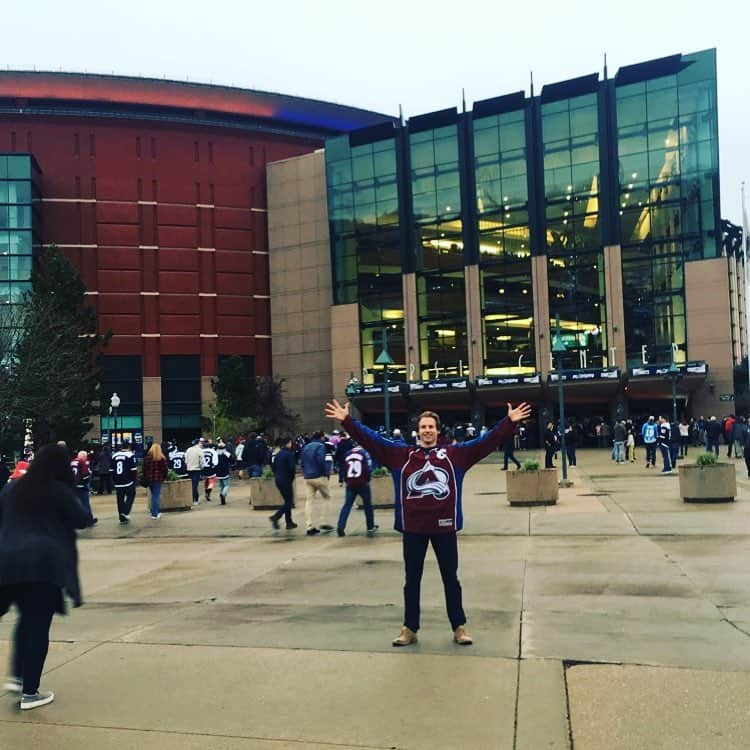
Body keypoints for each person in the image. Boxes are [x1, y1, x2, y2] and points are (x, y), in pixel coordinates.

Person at [324, 398, 531, 647]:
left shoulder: (455, 456)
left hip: (444, 527)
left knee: (450, 579)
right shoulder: (401, 455)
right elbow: (372, 440)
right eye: (423, 427)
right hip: (413, 529)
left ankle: (459, 627)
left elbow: (484, 443)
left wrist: (508, 423)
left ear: (438, 430)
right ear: (417, 431)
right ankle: (409, 628)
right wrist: (347, 420)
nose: (427, 430)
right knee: (412, 580)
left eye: (431, 426)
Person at [0, 444, 89, 710]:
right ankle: (30, 693)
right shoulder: (59, 491)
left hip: (6, 562)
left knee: (24, 619)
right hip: (44, 566)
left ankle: (17, 676)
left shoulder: (12, 488)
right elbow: (81, 520)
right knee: (37, 624)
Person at [337, 443, 378, 537]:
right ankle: (370, 526)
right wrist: (367, 479)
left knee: (347, 505)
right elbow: (367, 468)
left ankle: (341, 526)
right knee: (368, 505)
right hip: (362, 482)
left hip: (350, 482)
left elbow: (343, 468)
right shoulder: (365, 453)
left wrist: (345, 480)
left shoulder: (347, 454)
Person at [300, 431, 333, 535]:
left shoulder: (305, 447)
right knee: (327, 498)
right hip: (319, 476)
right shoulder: (321, 446)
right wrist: (326, 473)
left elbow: (302, 462)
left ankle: (309, 525)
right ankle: (325, 521)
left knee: (309, 501)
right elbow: (321, 461)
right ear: (322, 437)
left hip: (307, 476)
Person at [269, 437, 298, 530]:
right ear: (289, 443)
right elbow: (292, 468)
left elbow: (273, 467)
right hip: (286, 480)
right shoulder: (289, 454)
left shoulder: (278, 454)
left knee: (287, 501)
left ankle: (289, 522)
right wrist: (291, 478)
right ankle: (276, 516)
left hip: (278, 479)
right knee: (289, 502)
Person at [112, 440, 137, 524]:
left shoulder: (114, 455)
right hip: (128, 481)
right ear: (129, 447)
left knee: (120, 499)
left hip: (118, 481)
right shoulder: (130, 455)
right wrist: (134, 480)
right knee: (131, 495)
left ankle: (121, 517)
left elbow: (111, 469)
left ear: (121, 446)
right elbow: (133, 470)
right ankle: (125, 512)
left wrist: (114, 479)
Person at [71, 450, 96, 526]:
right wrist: (86, 482)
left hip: (73, 486)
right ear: (83, 456)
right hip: (81, 486)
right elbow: (85, 475)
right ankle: (88, 520)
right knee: (85, 503)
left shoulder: (72, 462)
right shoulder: (83, 462)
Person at [142, 443, 168, 519]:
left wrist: (146, 476)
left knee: (154, 495)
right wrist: (164, 477)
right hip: (158, 479)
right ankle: (155, 514)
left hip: (149, 479)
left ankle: (156, 511)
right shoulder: (162, 458)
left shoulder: (147, 458)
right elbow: (165, 469)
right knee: (156, 496)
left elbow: (144, 469)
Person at [185, 438, 204, 505]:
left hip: (189, 469)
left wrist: (188, 465)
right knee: (194, 485)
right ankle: (194, 500)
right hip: (196, 469)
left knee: (193, 485)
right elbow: (202, 461)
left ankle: (196, 498)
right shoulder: (199, 450)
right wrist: (201, 467)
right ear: (198, 443)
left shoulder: (188, 450)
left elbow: (186, 460)